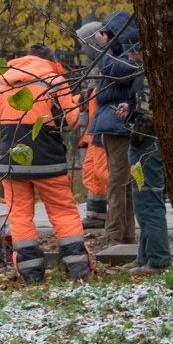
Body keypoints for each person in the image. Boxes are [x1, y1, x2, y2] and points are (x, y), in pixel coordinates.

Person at [0, 43, 93, 281]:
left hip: (12, 161)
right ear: (50, 60)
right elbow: (72, 121)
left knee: (19, 216)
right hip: (48, 162)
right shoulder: (55, 80)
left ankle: (31, 273)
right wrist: (78, 100)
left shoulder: (0, 80)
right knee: (63, 213)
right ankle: (77, 270)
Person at [88, 10, 140, 245]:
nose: (103, 38)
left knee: (117, 182)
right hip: (111, 123)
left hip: (119, 124)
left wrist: (103, 49)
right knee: (122, 182)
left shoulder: (128, 56)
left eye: (107, 34)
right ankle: (125, 233)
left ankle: (114, 235)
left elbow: (112, 70)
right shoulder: (119, 54)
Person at [121, 39, 172, 274]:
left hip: (147, 148)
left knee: (148, 202)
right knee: (145, 202)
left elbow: (147, 117)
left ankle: (158, 260)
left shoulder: (145, 77)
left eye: (132, 50)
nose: (129, 55)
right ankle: (144, 257)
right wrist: (129, 113)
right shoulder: (155, 73)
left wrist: (134, 139)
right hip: (152, 144)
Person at [75, 20, 109, 230]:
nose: (81, 49)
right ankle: (96, 214)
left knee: (102, 172)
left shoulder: (108, 62)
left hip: (102, 127)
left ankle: (111, 213)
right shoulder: (96, 64)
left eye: (83, 44)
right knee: (91, 171)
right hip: (93, 128)